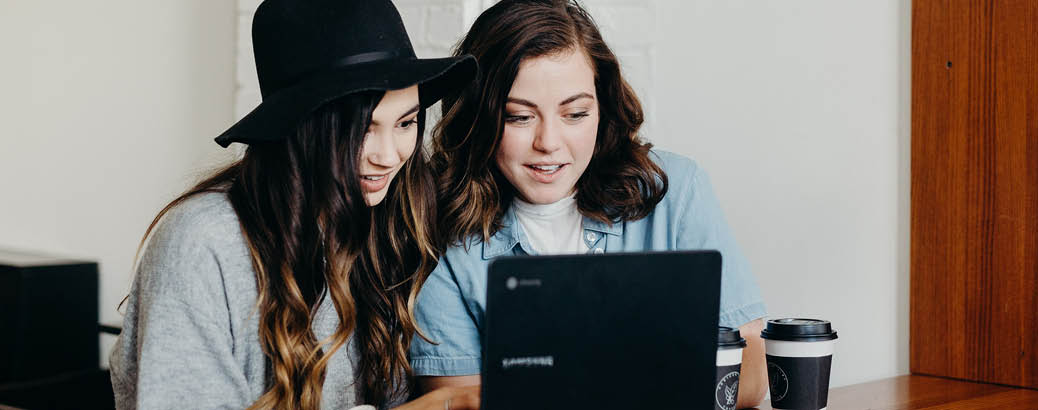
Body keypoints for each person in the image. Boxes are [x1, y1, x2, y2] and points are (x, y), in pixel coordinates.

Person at [108, 1, 479, 409]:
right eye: (361, 129)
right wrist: (446, 403)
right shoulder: (203, 243)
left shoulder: (387, 224)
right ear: (300, 128)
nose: (389, 156)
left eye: (406, 123)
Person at [410, 0, 769, 407]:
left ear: (603, 107)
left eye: (576, 113)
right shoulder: (440, 230)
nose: (549, 143)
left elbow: (751, 371)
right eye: (519, 117)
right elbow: (459, 399)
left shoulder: (675, 191)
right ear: (478, 119)